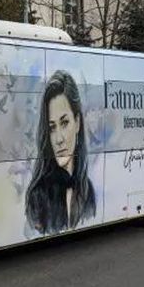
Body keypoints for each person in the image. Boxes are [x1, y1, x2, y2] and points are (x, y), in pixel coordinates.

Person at [25, 71, 96, 234]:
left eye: (64, 123)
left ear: (77, 122)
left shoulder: (87, 190)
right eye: (52, 127)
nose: (59, 139)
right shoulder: (38, 196)